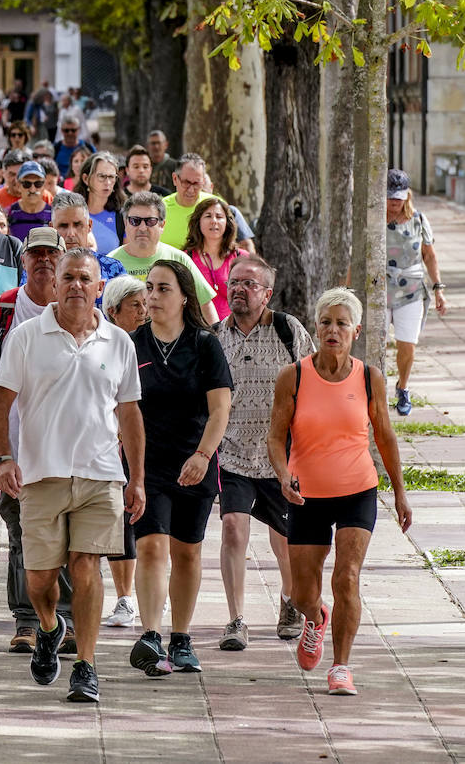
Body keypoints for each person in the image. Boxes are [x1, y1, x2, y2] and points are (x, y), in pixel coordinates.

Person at [0, 248, 146, 703]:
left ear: (100, 287)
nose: (77, 285)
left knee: (86, 567)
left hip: (101, 476)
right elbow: (0, 405)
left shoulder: (119, 342)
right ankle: (49, 626)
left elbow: (130, 413)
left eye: (85, 279)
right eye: (68, 278)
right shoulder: (25, 337)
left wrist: (135, 477)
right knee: (41, 580)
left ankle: (86, 665)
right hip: (41, 475)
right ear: (54, 285)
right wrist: (4, 459)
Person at [267, 287, 413, 696]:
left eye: (341, 324)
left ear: (356, 331)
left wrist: (400, 492)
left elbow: (384, 436)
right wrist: (282, 475)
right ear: (317, 327)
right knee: (301, 593)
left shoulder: (369, 378)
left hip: (357, 489)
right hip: (305, 494)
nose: (333, 330)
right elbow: (276, 437)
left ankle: (341, 667)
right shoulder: (293, 376)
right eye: (326, 322)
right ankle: (315, 619)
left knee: (346, 578)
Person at [129, 259, 232, 679]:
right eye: (149, 288)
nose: (152, 297)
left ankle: (182, 639)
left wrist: (203, 455)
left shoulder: (204, 343)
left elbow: (221, 407)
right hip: (147, 464)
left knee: (187, 552)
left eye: (163, 289)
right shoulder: (131, 343)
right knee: (152, 545)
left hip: (196, 462)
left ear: (185, 296)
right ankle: (151, 635)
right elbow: (122, 406)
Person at [213, 255, 314, 651]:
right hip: (232, 453)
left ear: (267, 294)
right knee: (233, 527)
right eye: (234, 282)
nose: (239, 289)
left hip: (281, 458)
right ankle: (236, 619)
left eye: (249, 284)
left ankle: (289, 602)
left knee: (285, 539)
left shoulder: (290, 331)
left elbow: (312, 384)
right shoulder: (216, 337)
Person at [0, 228, 75, 652]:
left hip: (68, 451)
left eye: (50, 255)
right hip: (16, 448)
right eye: (35, 254)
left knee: (68, 537)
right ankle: (26, 621)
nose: (43, 262)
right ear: (24, 261)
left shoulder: (80, 313)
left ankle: (66, 621)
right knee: (21, 535)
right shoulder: (1, 310)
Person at [100, 274, 147, 627]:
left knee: (151, 524)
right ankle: (124, 597)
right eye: (136, 306)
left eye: (146, 303)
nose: (145, 311)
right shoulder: (105, 344)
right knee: (120, 522)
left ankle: (148, 593)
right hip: (112, 445)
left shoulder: (155, 342)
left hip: (151, 445)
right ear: (114, 311)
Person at [385, 168, 447, 415]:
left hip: (410, 289)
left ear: (407, 195)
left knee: (407, 344)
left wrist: (439, 288)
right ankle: (373, 389)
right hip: (379, 289)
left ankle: (403, 387)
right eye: (390, 196)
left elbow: (429, 256)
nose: (394, 202)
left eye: (398, 196)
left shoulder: (419, 219)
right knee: (372, 343)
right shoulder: (372, 216)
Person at [108, 191, 219, 324]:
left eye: (150, 221)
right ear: (126, 224)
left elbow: (205, 304)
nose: (142, 228)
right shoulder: (110, 263)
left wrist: (217, 340)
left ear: (162, 225)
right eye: (135, 221)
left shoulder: (179, 259)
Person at [183, 196, 248, 320]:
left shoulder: (242, 258)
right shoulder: (186, 258)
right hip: (197, 332)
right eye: (208, 216)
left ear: (227, 222)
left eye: (219, 216)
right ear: (198, 222)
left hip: (236, 332)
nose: (214, 221)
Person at [50, 192, 125, 297]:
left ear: (89, 225)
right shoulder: (41, 270)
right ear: (52, 228)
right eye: (63, 226)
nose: (71, 233)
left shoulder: (113, 269)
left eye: (77, 225)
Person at [72, 153, 126, 255]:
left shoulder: (122, 215)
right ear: (86, 179)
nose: (108, 182)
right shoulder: (70, 213)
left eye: (111, 177)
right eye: (102, 176)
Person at [5, 161, 53, 241]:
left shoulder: (52, 214)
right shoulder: (9, 213)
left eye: (38, 184)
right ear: (18, 185)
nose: (32, 189)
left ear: (44, 185)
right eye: (26, 184)